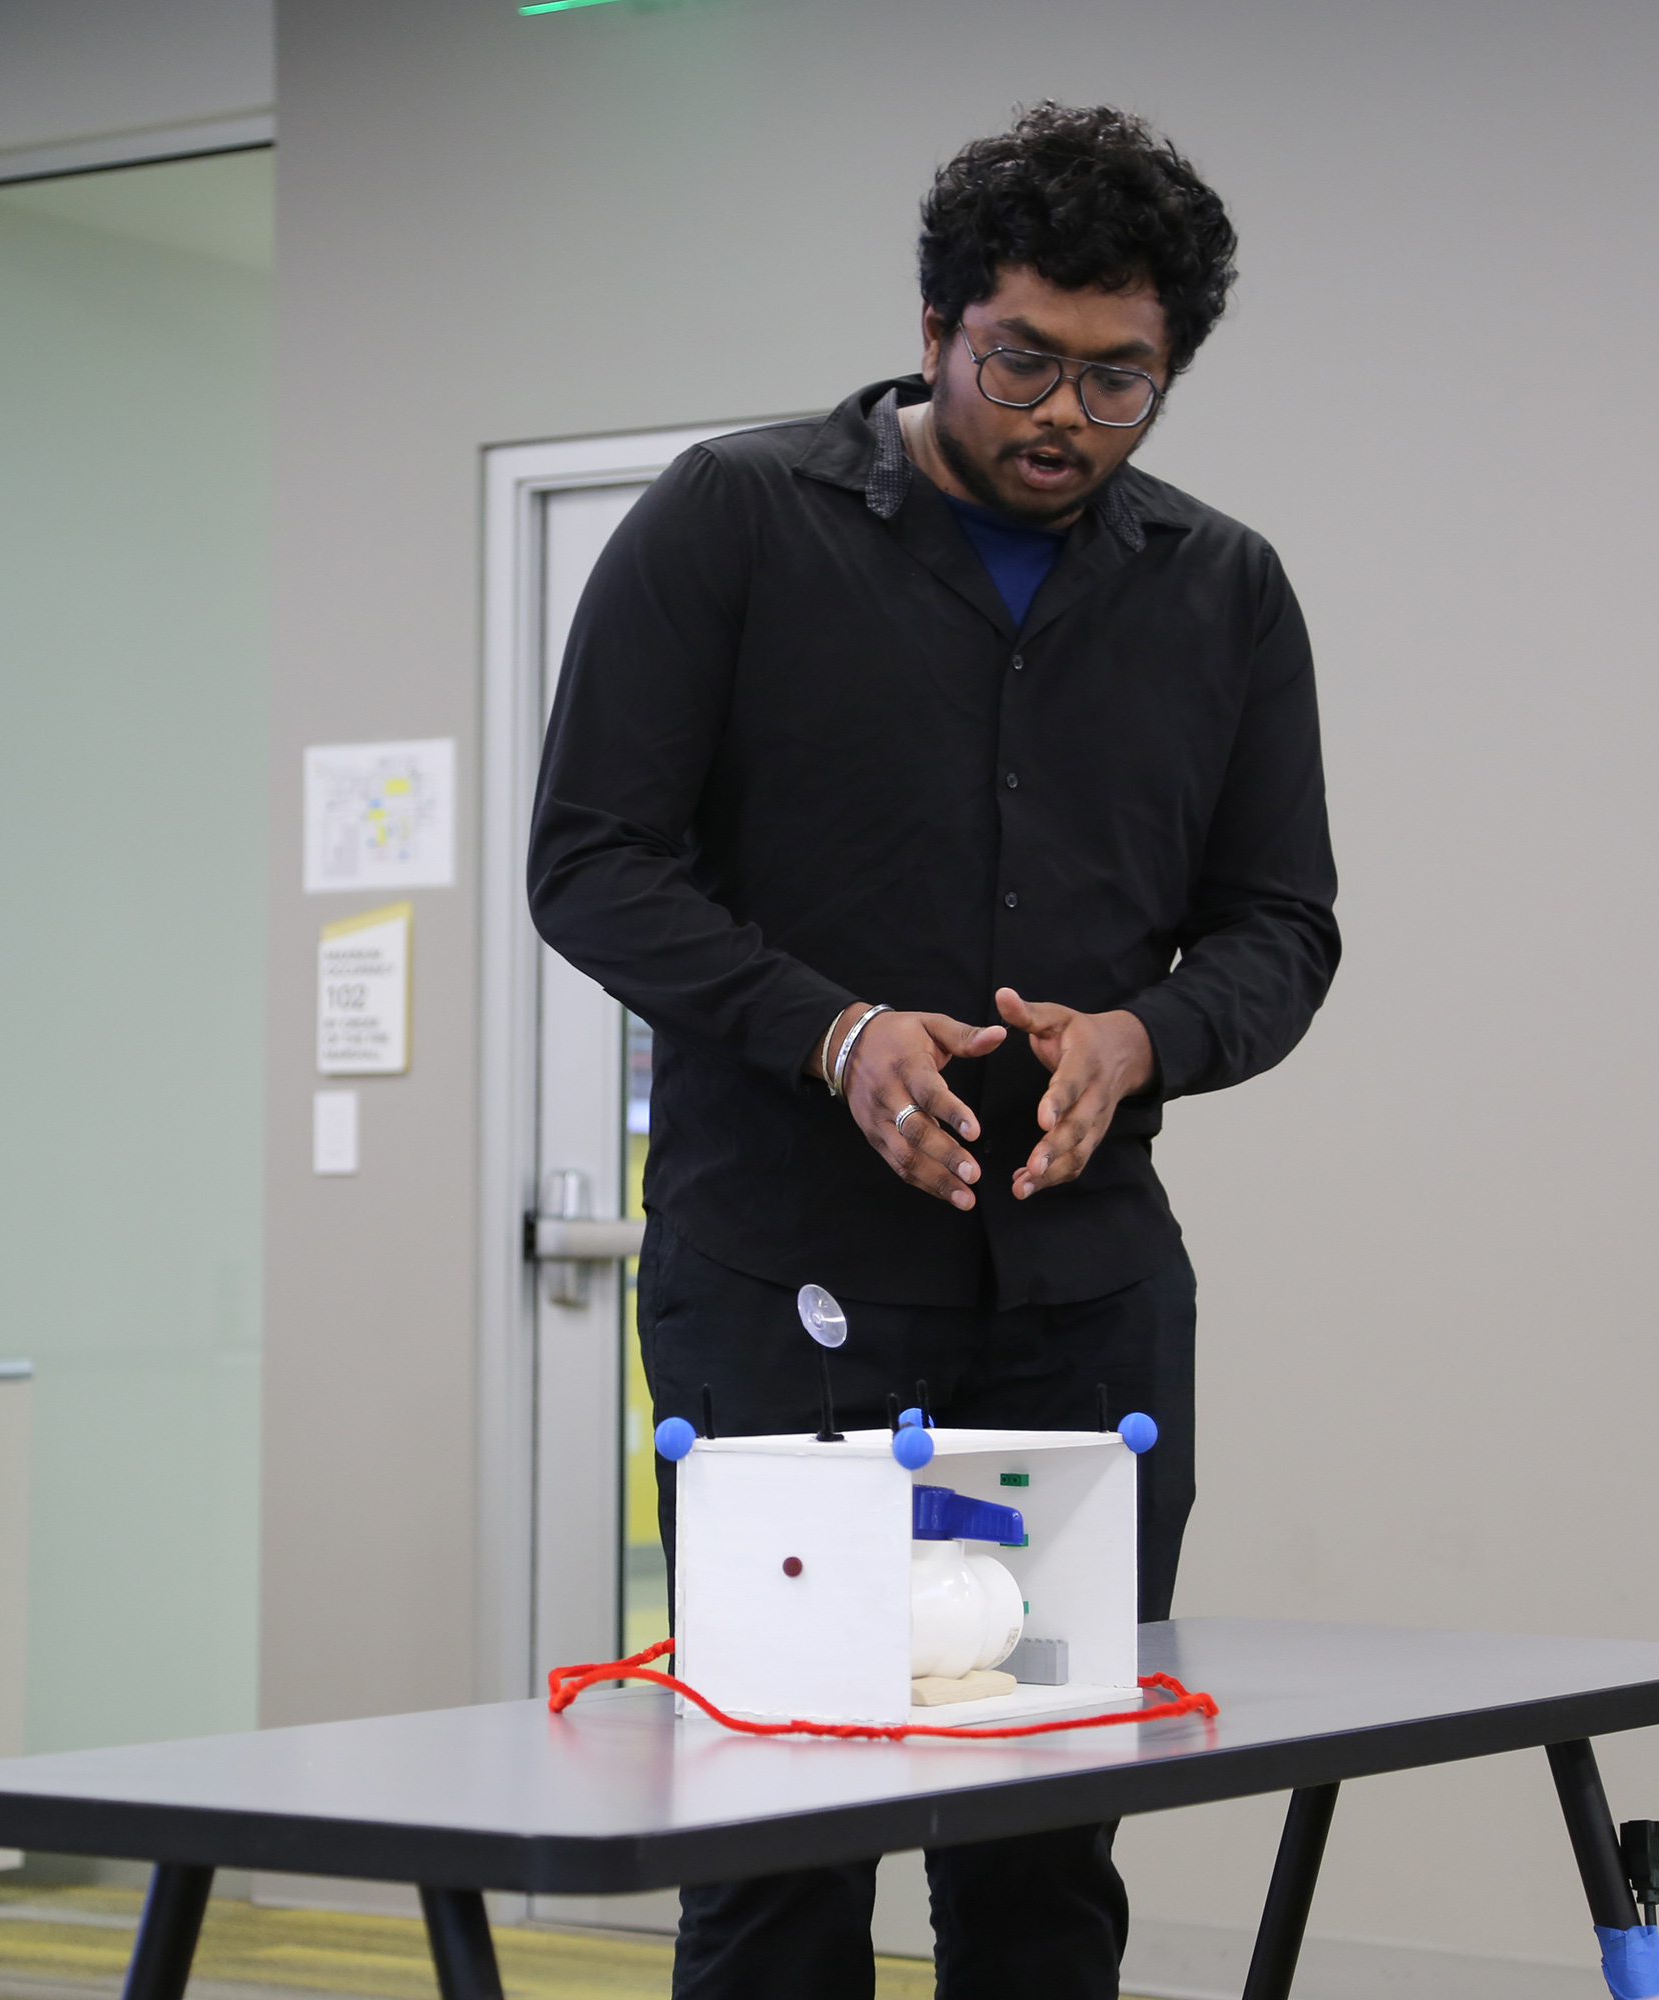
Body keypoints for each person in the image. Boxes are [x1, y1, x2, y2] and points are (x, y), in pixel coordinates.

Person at [528, 100, 1339, 2000]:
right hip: (782, 1283)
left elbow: (1281, 932)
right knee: (785, 1841)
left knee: (1049, 1836)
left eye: (1120, 380)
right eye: (1022, 361)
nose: (1064, 416)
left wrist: (1141, 1039)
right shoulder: (733, 520)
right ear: (934, 322)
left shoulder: (1225, 591)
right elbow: (591, 864)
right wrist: (833, 1034)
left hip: (1084, 1306)